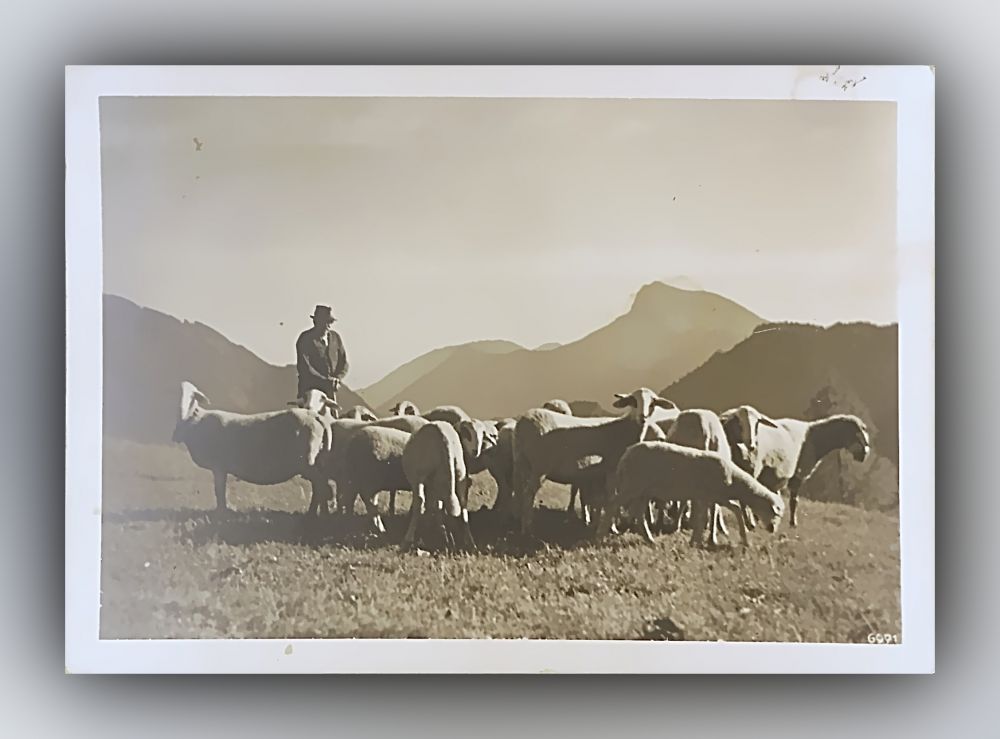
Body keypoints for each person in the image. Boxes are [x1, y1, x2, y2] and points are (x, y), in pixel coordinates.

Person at [295, 304, 349, 402]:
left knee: (332, 416)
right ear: (316, 322)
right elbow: (305, 367)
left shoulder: (335, 338)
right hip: (310, 391)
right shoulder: (305, 339)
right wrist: (326, 381)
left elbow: (344, 363)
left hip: (330, 391)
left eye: (330, 322)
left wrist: (337, 379)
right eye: (325, 322)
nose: (328, 325)